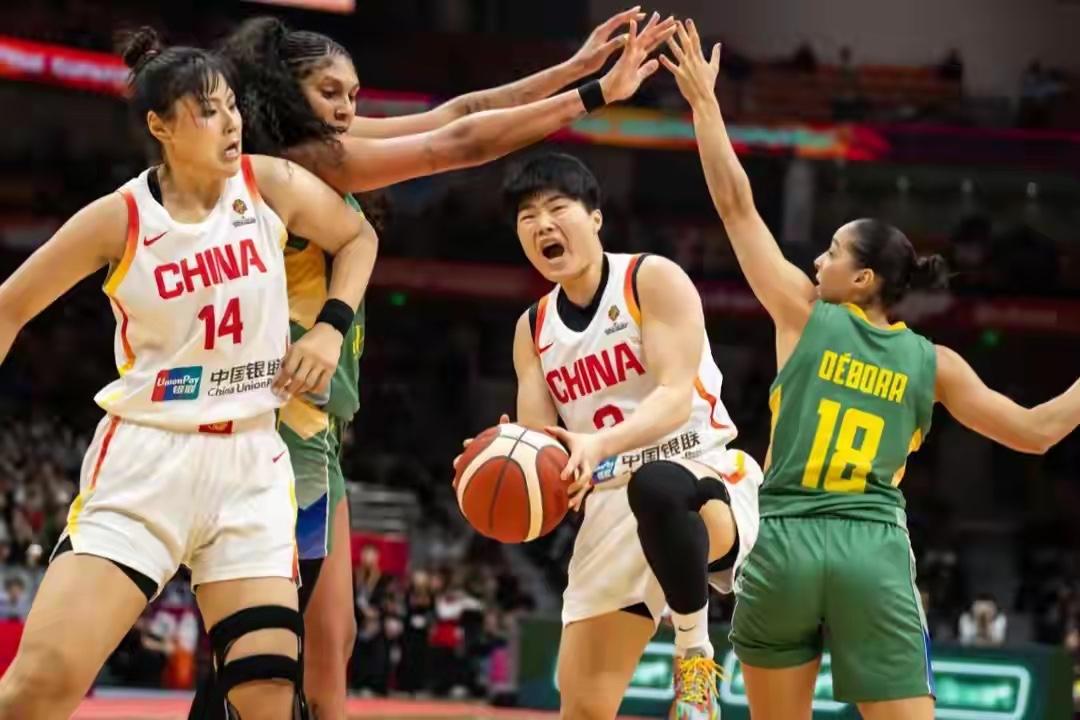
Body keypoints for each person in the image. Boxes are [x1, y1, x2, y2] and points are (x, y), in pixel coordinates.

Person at [214, 10, 676, 717]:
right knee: (280, 653)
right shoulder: (305, 162)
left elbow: (456, 112)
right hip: (277, 423)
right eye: (329, 93)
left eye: (353, 94)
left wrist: (574, 68)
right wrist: (592, 98)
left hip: (317, 431)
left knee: (328, 645)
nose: (347, 108)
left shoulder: (326, 147)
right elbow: (455, 144)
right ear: (283, 91)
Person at [661, 20, 1080, 720]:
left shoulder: (802, 313)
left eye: (831, 251)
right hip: (871, 551)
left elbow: (735, 204)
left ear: (861, 280)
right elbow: (1037, 432)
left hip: (784, 542)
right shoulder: (934, 363)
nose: (816, 260)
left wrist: (705, 102)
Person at [0, 29, 377, 719]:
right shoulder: (120, 217)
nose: (230, 121)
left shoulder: (269, 184)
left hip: (251, 464)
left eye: (231, 105)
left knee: (267, 690)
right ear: (161, 126)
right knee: (41, 686)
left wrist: (330, 324)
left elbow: (358, 237)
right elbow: (10, 306)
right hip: (149, 460)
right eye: (208, 110)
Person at [457, 153, 764, 720]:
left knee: (658, 485)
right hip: (610, 506)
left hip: (700, 475)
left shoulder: (651, 279)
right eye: (527, 217)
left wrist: (599, 445)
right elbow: (544, 443)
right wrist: (502, 456)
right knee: (582, 709)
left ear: (595, 218)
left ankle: (694, 658)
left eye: (557, 208)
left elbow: (674, 398)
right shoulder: (532, 329)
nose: (543, 225)